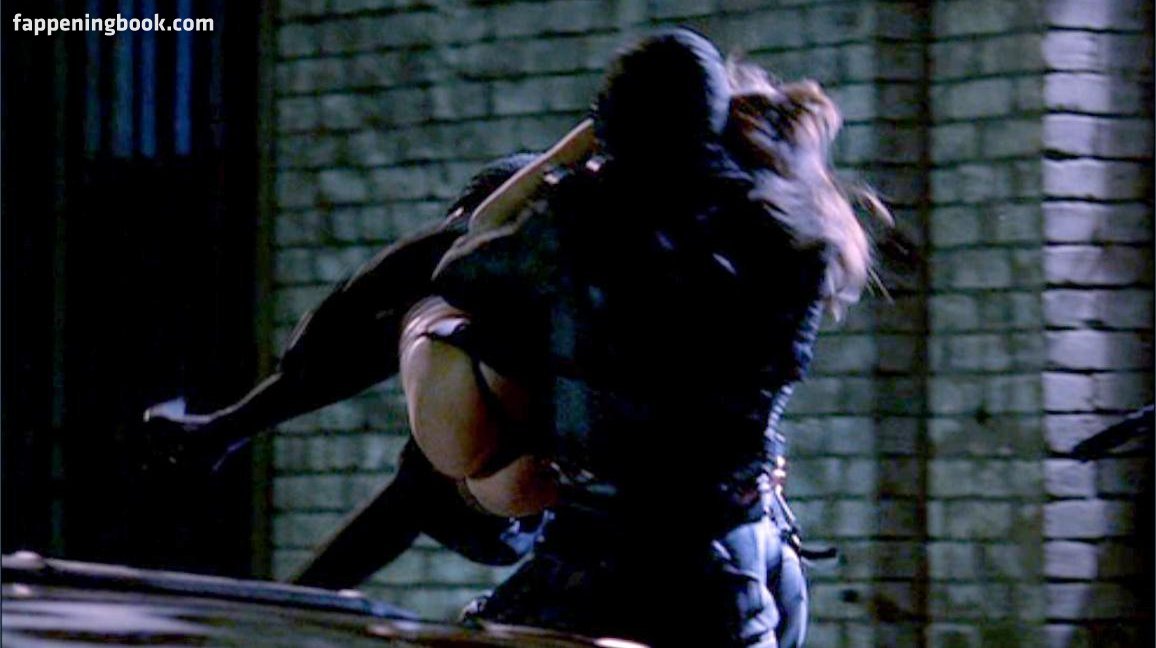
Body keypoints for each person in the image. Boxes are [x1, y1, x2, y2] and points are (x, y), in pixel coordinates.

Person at [401, 29, 888, 647]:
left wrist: (567, 156)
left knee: (430, 326)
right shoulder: (794, 236)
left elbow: (459, 267)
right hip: (735, 571)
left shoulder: (581, 220)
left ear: (615, 121)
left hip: (598, 567)